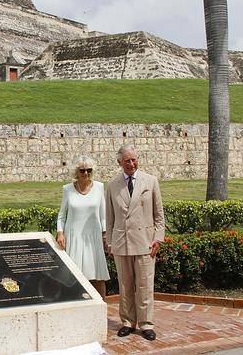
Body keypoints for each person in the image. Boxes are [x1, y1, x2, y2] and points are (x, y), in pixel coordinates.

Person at [106, 144, 165, 341]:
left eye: (134, 160)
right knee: (125, 286)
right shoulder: (113, 185)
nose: (131, 164)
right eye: (127, 161)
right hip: (122, 243)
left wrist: (158, 238)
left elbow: (159, 216)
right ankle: (127, 322)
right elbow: (110, 218)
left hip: (145, 243)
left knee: (145, 286)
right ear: (119, 163)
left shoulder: (151, 181)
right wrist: (110, 242)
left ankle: (146, 324)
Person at [56, 156, 110, 299]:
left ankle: (101, 308)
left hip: (93, 238)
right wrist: (60, 233)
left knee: (98, 277)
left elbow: (103, 215)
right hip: (74, 238)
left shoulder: (99, 187)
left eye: (89, 170)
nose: (86, 173)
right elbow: (62, 215)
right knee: (73, 277)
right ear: (77, 172)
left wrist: (105, 235)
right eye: (82, 170)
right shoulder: (67, 189)